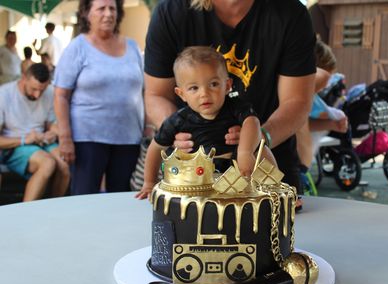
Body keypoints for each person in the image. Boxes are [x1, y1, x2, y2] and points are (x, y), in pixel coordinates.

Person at [143, 0, 316, 198]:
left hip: (267, 166)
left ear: (228, 85)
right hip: (193, 175)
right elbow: (156, 95)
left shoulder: (290, 13)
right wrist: (179, 132)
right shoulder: (171, 12)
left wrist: (258, 140)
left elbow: (297, 102)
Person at [136, 46, 276, 199]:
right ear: (181, 94)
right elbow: (155, 148)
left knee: (261, 148)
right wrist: (149, 183)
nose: (204, 94)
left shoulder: (236, 107)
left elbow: (252, 122)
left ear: (227, 86)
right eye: (194, 88)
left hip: (238, 170)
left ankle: (275, 190)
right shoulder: (178, 120)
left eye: (213, 84)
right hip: (198, 180)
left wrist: (245, 152)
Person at [53, 0, 144, 195]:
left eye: (112, 8)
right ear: (86, 13)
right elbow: (61, 96)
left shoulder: (132, 46)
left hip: (129, 139)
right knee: (84, 197)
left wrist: (149, 128)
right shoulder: (77, 47)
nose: (108, 13)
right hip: (87, 139)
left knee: (122, 197)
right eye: (101, 8)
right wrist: (65, 138)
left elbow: (145, 90)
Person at [0, 63, 70, 201]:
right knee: (48, 163)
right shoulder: (4, 94)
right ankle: (25, 213)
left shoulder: (49, 91)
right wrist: (24, 140)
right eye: (34, 89)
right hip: (15, 145)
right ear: (24, 78)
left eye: (42, 90)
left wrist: (55, 133)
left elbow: (50, 124)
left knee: (65, 164)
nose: (37, 95)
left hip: (42, 141)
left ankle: (54, 208)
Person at [297, 39, 348, 170]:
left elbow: (303, 125)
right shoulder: (295, 96)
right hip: (293, 166)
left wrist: (331, 124)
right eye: (325, 78)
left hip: (300, 166)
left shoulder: (307, 96)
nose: (325, 85)